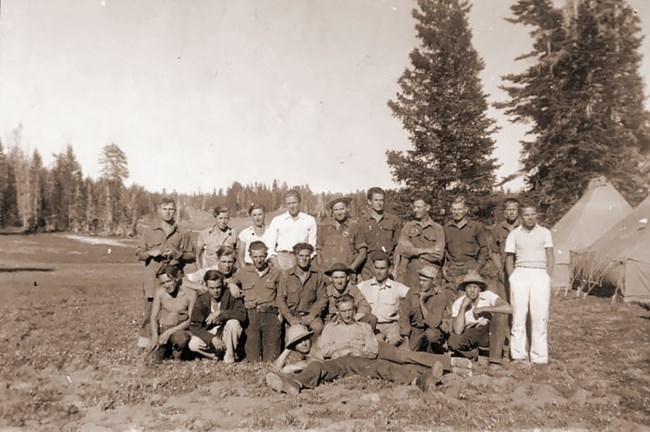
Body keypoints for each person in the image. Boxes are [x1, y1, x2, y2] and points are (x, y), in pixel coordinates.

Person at [266, 295, 472, 395]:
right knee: (317, 367)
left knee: (384, 366)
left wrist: (358, 350)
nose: (347, 314)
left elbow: (373, 349)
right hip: (337, 362)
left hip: (361, 359)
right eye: (343, 311)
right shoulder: (329, 328)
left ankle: (421, 380)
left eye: (349, 310)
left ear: (353, 310)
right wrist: (340, 350)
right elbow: (323, 351)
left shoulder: (364, 327)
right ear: (337, 311)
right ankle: (295, 384)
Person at [135, 196, 195, 346]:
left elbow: (191, 255)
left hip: (174, 280)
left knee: (177, 311)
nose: (168, 212)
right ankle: (146, 343)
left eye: (171, 209)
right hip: (153, 279)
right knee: (150, 311)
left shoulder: (182, 232)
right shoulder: (149, 231)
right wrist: (150, 253)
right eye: (165, 209)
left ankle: (174, 341)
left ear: (175, 211)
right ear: (159, 211)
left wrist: (177, 254)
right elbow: (139, 253)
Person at [505, 203, 554, 365]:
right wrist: (513, 276)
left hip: (539, 273)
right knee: (519, 315)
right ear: (521, 216)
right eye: (526, 214)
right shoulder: (514, 234)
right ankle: (518, 355)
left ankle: (539, 356)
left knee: (539, 316)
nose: (530, 217)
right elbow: (509, 258)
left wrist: (547, 276)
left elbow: (550, 256)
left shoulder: (545, 233)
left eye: (533, 214)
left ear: (537, 214)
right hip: (520, 273)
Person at [449, 271, 512, 371]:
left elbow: (508, 308)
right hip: (470, 332)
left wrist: (484, 309)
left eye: (475, 287)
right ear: (465, 289)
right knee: (453, 342)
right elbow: (457, 330)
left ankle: (494, 361)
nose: (472, 290)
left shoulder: (488, 296)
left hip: (487, 332)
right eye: (469, 287)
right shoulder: (459, 303)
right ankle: (472, 355)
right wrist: (463, 307)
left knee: (500, 316)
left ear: (480, 288)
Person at [235, 240, 283, 362]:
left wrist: (281, 314)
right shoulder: (243, 272)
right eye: (255, 257)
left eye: (261, 256)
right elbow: (230, 281)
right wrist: (232, 285)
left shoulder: (276, 273)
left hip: (271, 314)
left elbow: (282, 295)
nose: (259, 260)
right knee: (253, 359)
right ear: (250, 257)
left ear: (266, 256)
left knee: (271, 359)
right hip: (251, 316)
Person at [188, 269, 246, 363]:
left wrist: (221, 312)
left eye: (218, 287)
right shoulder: (201, 301)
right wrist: (211, 338)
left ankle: (229, 357)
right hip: (212, 333)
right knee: (193, 344)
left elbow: (242, 315)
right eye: (212, 288)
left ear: (223, 285)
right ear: (206, 286)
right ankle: (214, 356)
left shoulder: (230, 295)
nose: (215, 291)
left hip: (227, 333)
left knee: (234, 323)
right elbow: (194, 325)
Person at [357, 252, 410, 346]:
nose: (379, 272)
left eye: (382, 268)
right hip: (372, 326)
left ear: (389, 269)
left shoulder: (397, 287)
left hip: (391, 325)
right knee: (377, 344)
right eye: (376, 268)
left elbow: (412, 295)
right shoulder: (363, 286)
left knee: (395, 340)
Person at [147, 265, 196, 362]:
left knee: (180, 339)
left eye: (169, 281)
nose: (166, 286)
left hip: (180, 329)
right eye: (163, 283)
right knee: (152, 360)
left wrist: (168, 333)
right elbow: (153, 316)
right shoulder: (160, 292)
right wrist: (155, 336)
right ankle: (166, 350)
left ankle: (179, 353)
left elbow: (191, 320)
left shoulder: (190, 294)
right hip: (163, 327)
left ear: (177, 279)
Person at [277, 243, 328, 335]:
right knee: (295, 334)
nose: (304, 259)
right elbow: (280, 300)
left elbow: (322, 298)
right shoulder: (286, 275)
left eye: (307, 256)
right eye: (301, 255)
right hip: (292, 315)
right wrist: (290, 318)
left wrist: (312, 315)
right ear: (295, 256)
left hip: (310, 315)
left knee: (317, 327)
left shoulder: (317, 275)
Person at [395, 196, 445, 289]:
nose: (415, 210)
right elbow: (402, 250)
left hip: (431, 274)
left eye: (419, 207)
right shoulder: (408, 226)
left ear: (427, 208)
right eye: (414, 207)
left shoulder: (438, 229)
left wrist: (412, 251)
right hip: (411, 273)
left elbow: (438, 255)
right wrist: (427, 250)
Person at [399, 265, 449, 354]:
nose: (421, 283)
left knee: (431, 335)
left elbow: (433, 323)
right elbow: (404, 316)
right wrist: (406, 339)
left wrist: (421, 302)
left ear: (433, 281)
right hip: (415, 330)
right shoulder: (412, 293)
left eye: (425, 281)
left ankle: (433, 354)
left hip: (431, 330)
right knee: (407, 353)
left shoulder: (440, 297)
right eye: (420, 280)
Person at [443, 196, 489, 288]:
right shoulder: (446, 228)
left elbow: (484, 249)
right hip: (453, 268)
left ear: (466, 210)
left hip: (470, 267)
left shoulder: (476, 227)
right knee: (451, 296)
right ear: (451, 210)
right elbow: (443, 250)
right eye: (454, 209)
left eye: (460, 209)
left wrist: (477, 268)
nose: (457, 212)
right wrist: (444, 268)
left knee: (469, 295)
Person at [265, 189, 317, 271]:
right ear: (285, 204)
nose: (292, 206)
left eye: (294, 203)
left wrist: (304, 262)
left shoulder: (309, 220)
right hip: (282, 258)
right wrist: (277, 265)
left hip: (301, 259)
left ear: (299, 202)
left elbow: (312, 247)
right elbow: (269, 247)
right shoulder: (277, 220)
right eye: (288, 203)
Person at [316, 197, 367, 278]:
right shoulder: (324, 227)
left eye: (342, 209)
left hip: (346, 275)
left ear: (347, 209)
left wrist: (351, 269)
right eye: (336, 210)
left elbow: (363, 253)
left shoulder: (355, 226)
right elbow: (318, 251)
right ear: (332, 212)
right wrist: (321, 270)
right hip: (327, 274)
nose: (339, 212)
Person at [359, 187, 402, 280]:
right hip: (367, 267)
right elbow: (357, 249)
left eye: (382, 200)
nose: (379, 203)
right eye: (376, 200)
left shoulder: (393, 220)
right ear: (369, 202)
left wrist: (395, 269)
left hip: (387, 266)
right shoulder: (361, 222)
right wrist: (358, 272)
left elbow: (398, 247)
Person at [323, 262, 377, 329]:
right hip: (334, 324)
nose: (339, 281)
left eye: (342, 277)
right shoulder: (326, 291)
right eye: (336, 278)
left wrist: (353, 320)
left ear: (348, 278)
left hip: (352, 321)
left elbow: (365, 306)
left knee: (371, 319)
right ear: (330, 279)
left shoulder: (353, 289)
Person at [490, 196, 521, 301]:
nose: (511, 213)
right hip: (504, 271)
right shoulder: (498, 228)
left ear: (518, 211)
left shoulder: (525, 227)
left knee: (521, 302)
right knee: (504, 302)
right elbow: (494, 252)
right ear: (504, 212)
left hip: (521, 269)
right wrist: (499, 269)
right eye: (508, 210)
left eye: (514, 210)